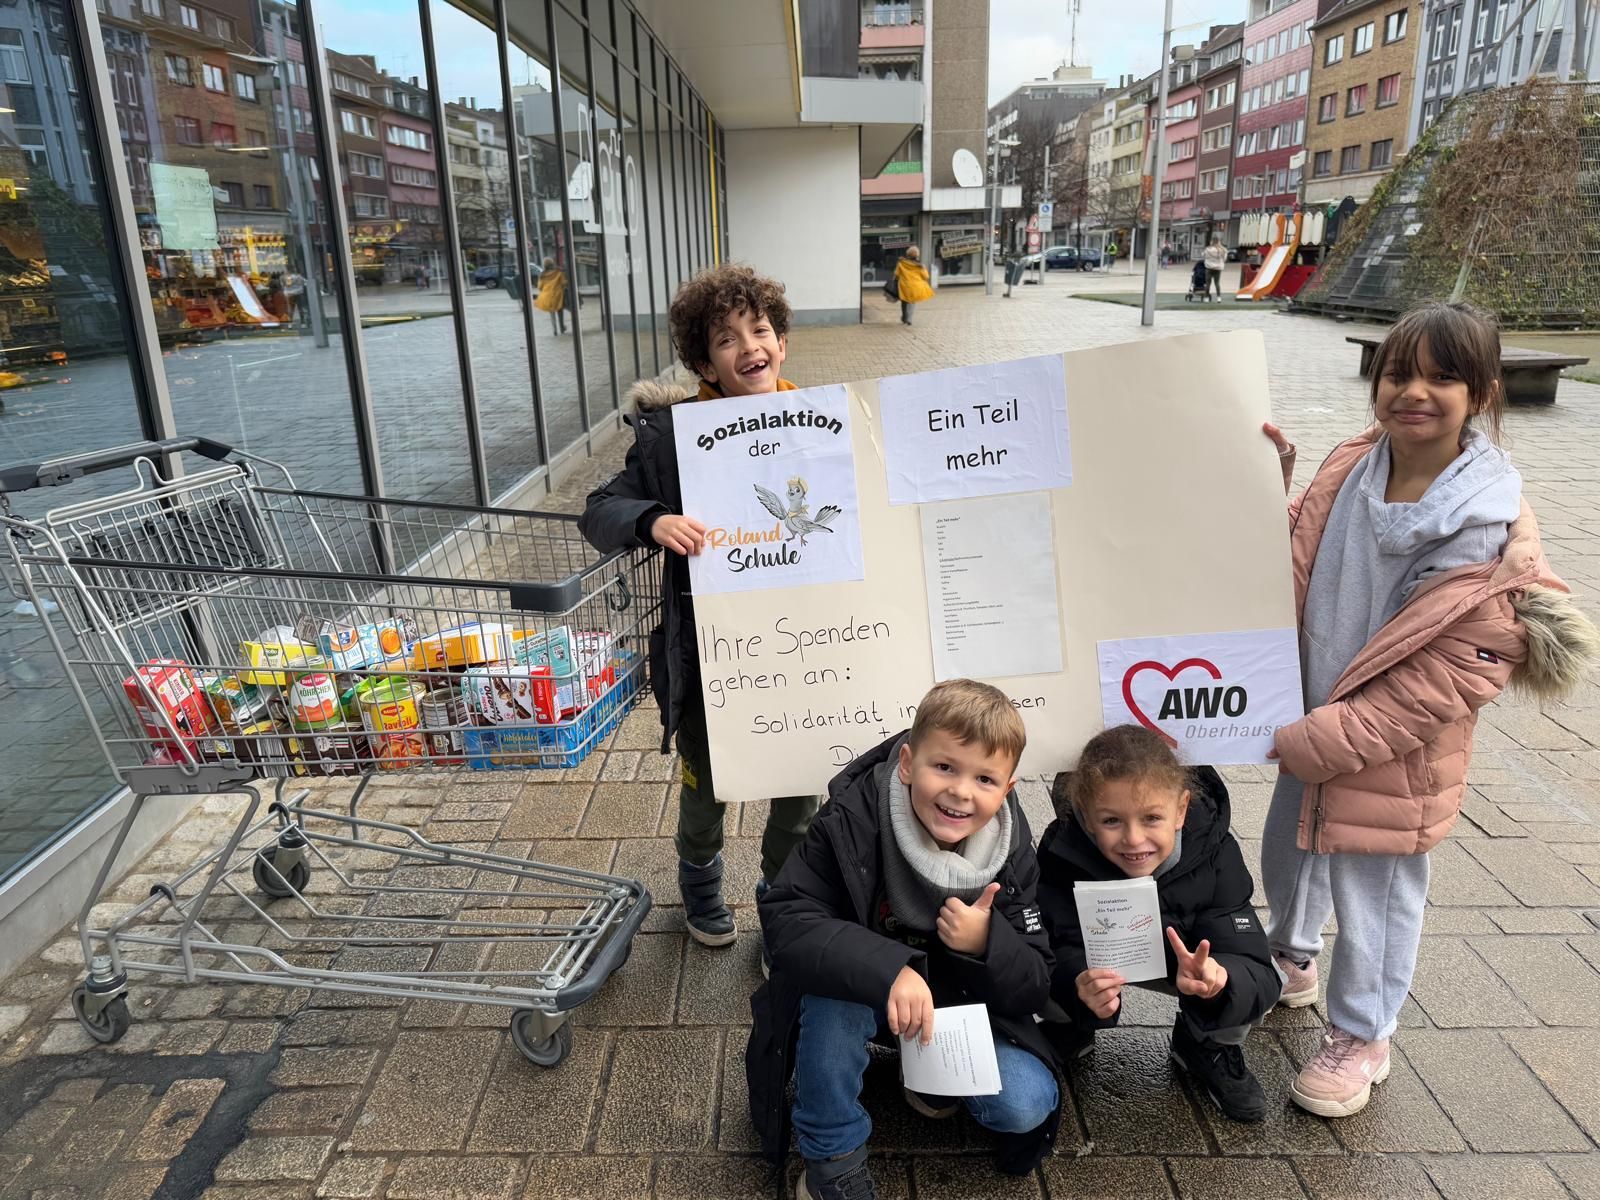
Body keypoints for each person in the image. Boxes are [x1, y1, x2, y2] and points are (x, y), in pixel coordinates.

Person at [1260, 301, 1599, 1118]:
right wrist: (1270, 485)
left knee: (1375, 890)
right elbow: (1299, 551)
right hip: (1314, 712)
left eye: (1443, 377)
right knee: (1293, 847)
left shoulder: (1485, 530)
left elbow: (1450, 674)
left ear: (1482, 393)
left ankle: (1363, 1034)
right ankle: (1292, 956)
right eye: (1399, 373)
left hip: (1394, 750)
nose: (1414, 392)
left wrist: (1338, 733)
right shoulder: (1353, 463)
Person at [578, 264, 820, 947]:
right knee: (706, 784)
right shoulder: (672, 440)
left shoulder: (825, 427)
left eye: (760, 330)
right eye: (726, 339)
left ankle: (783, 905)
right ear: (704, 362)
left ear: (782, 342)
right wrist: (653, 519)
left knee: (801, 792)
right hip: (712, 656)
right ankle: (700, 880)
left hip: (809, 649)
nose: (750, 347)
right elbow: (599, 509)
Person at [748, 680, 1062, 1200]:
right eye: (945, 767)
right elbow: (787, 917)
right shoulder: (850, 819)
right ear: (908, 764)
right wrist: (889, 968)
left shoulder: (1011, 851)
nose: (961, 792)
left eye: (984, 778)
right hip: (866, 995)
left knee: (1027, 1102)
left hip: (954, 1005)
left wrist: (987, 942)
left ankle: (929, 1075)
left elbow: (1035, 980)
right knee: (830, 1001)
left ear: (1007, 790)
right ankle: (833, 1162)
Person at [1035, 725, 1281, 1124]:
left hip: (1183, 963)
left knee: (1252, 983)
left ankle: (1206, 1042)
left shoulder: (1214, 852)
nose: (1134, 839)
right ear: (1085, 813)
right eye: (1111, 820)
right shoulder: (1062, 849)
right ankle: (1073, 1024)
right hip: (1100, 961)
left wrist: (1219, 981)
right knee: (1036, 962)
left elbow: (1254, 963)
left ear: (1181, 810)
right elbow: (1051, 940)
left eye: (1152, 818)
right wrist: (1077, 984)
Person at [893, 246, 933, 326]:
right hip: (915, 286)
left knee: (904, 301)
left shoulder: (901, 263)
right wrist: (924, 268)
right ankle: (909, 319)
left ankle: (904, 317)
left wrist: (896, 280)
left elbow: (896, 274)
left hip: (904, 286)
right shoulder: (920, 266)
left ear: (908, 254)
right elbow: (926, 277)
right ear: (917, 255)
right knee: (912, 301)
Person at [535, 256, 568, 335]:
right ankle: (562, 328)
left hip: (547, 297)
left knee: (552, 313)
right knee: (560, 312)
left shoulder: (542, 275)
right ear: (552, 263)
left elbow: (539, 287)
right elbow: (564, 283)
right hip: (558, 295)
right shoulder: (559, 272)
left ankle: (554, 330)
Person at [1203, 236, 1227, 301]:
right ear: (1218, 242)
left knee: (1208, 284)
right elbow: (1224, 259)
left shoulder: (1208, 249)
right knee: (1217, 283)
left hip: (1209, 267)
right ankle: (1218, 297)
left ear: (1212, 241)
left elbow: (1204, 256)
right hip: (1218, 268)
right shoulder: (1223, 250)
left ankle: (1206, 298)